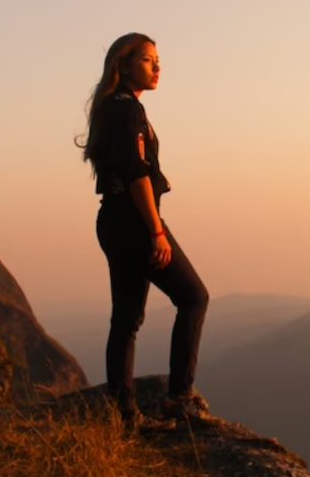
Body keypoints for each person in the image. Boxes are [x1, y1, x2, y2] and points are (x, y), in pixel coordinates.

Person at [78, 32, 211, 430]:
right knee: (194, 298)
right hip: (136, 222)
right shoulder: (129, 111)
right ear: (123, 64)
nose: (157, 68)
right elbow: (137, 174)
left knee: (127, 318)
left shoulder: (109, 109)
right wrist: (156, 232)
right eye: (149, 60)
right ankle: (179, 399)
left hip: (112, 221)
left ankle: (124, 416)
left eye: (157, 60)